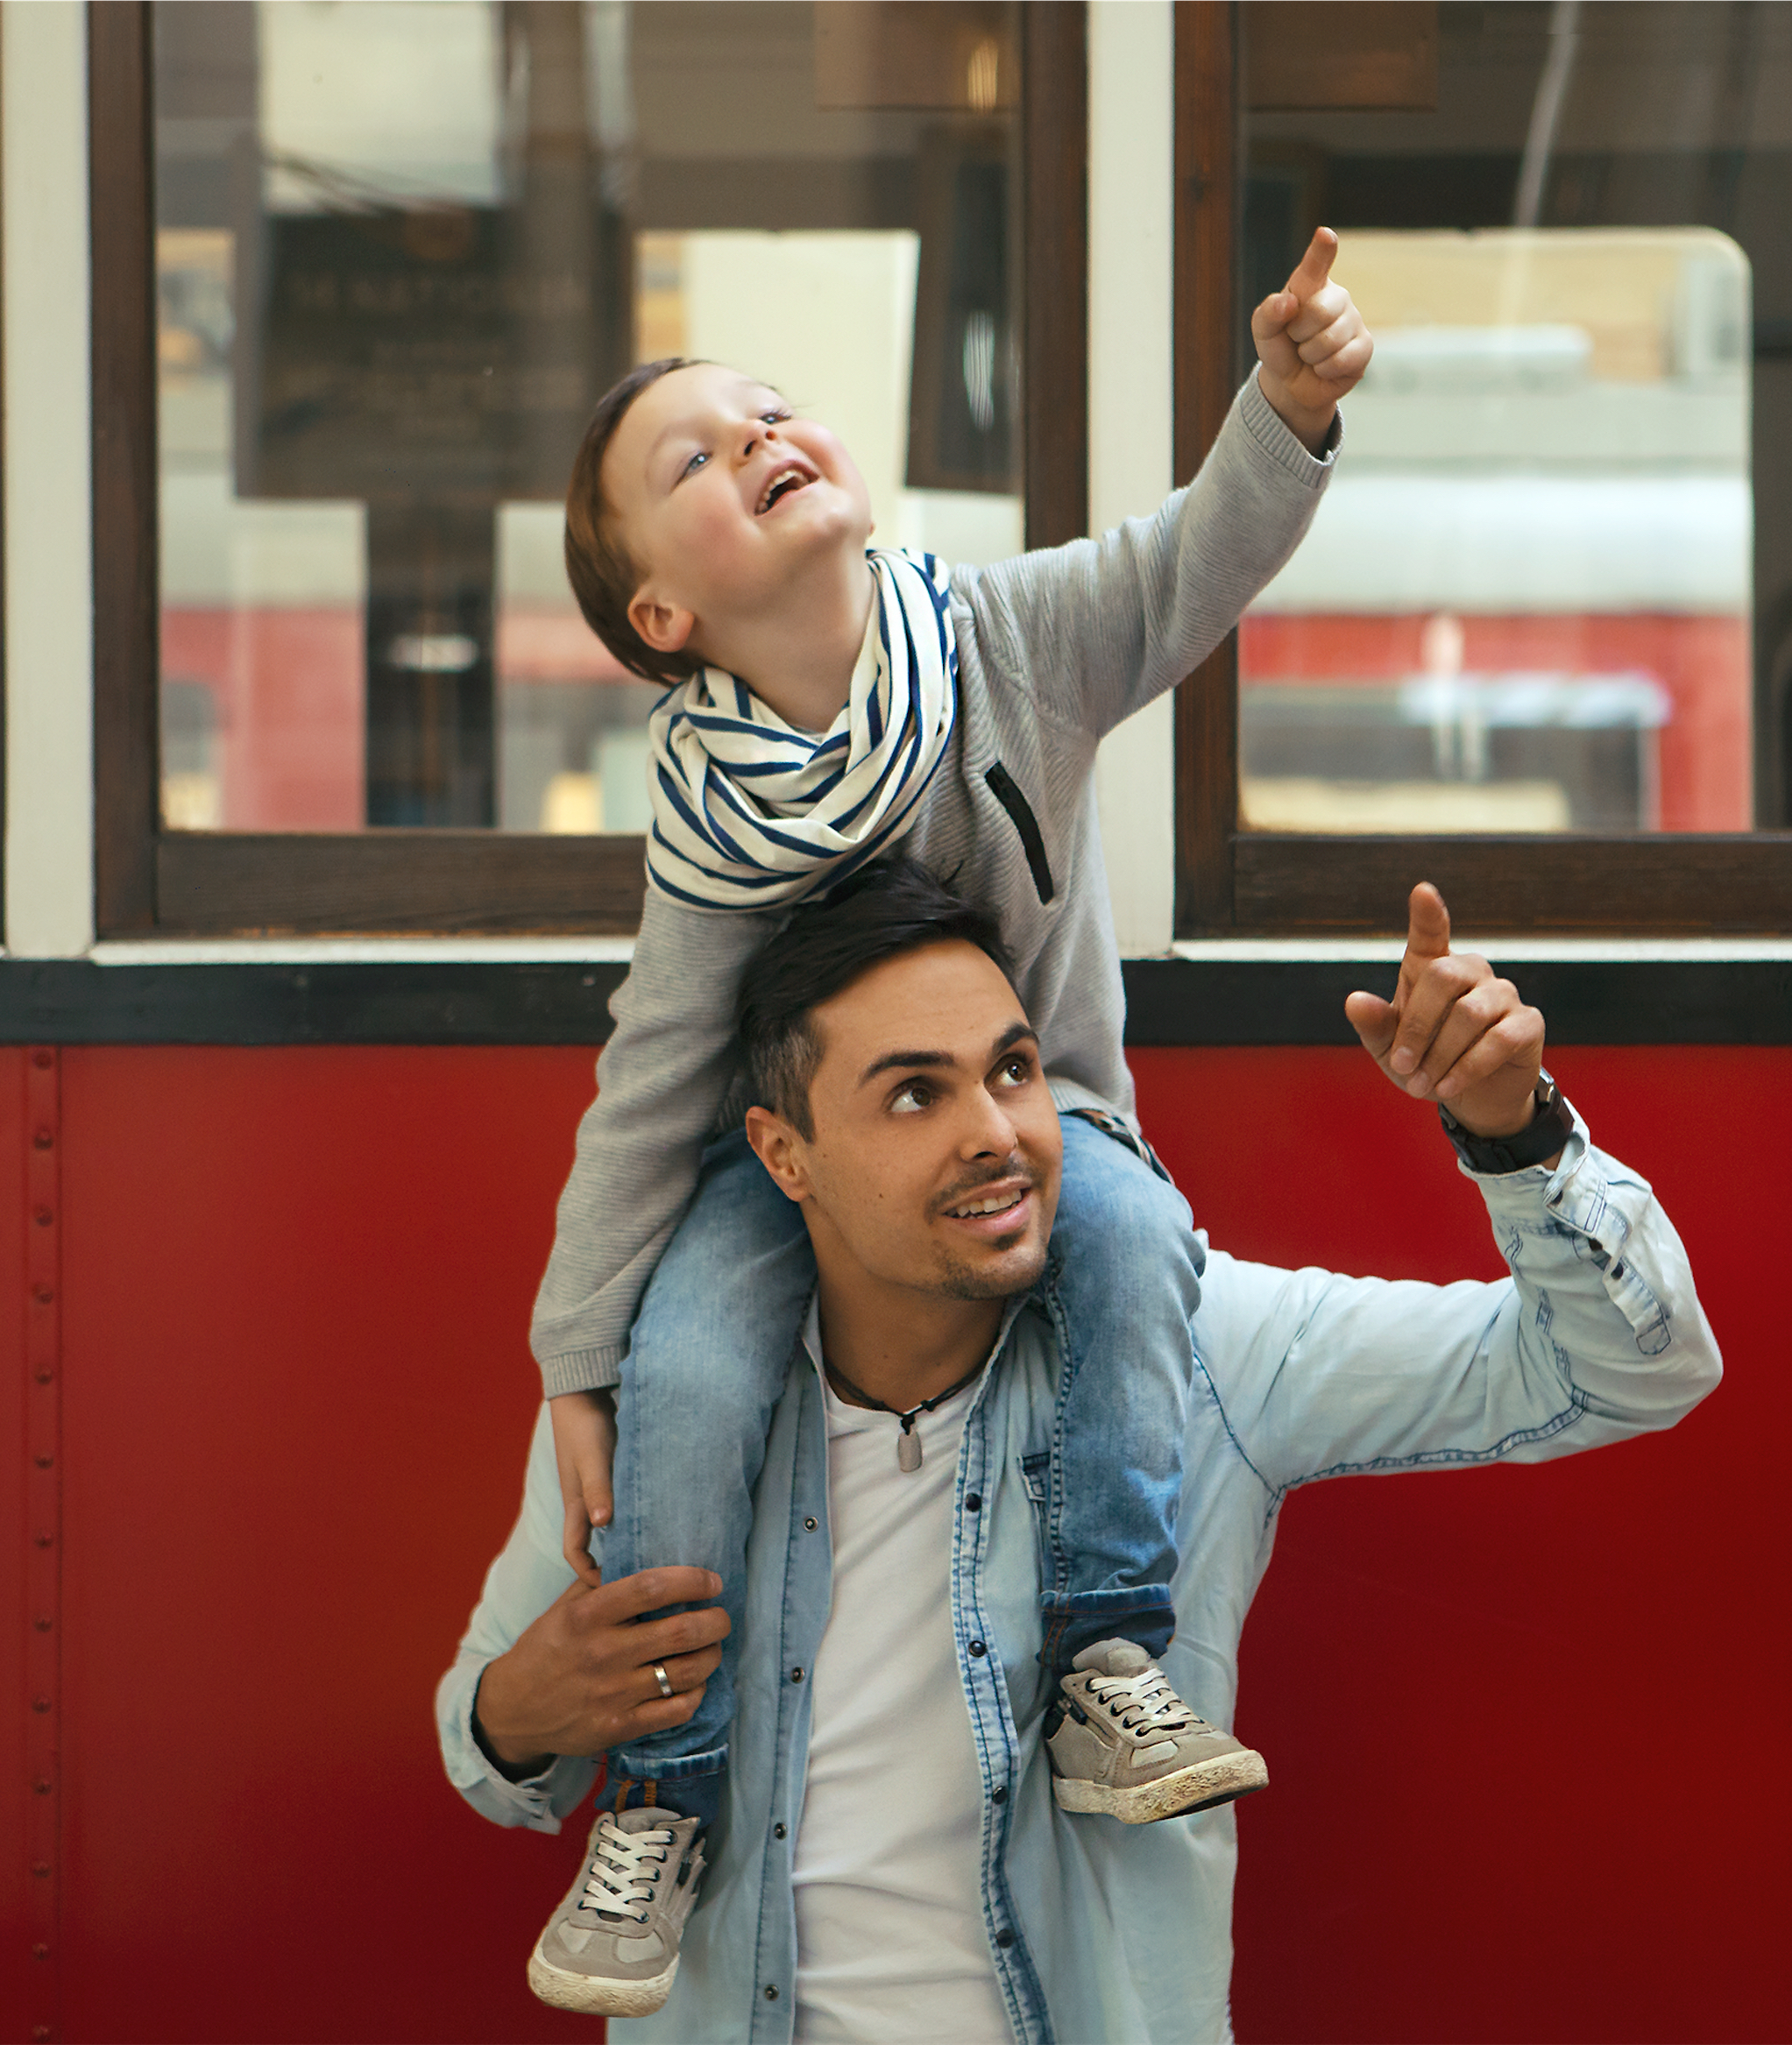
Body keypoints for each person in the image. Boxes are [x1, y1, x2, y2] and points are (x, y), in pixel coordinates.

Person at [514, 227, 1374, 2014]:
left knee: (1135, 1240)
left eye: (767, 408)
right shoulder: (709, 825)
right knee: (687, 1360)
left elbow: (1184, 566)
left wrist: (1285, 408)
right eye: (694, 457)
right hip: (799, 1174)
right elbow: (653, 1081)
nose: (758, 436)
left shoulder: (1004, 637)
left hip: (1045, 1117)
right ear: (663, 619)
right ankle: (664, 1798)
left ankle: (1104, 1665)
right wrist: (575, 1360)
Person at [438, 860, 1723, 2041]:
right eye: (914, 1093)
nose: (996, 1132)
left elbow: (1627, 1368)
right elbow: (487, 1757)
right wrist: (517, 1713)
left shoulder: (1195, 1352)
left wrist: (1515, 1131)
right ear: (786, 1154)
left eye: (1011, 1070)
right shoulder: (663, 1412)